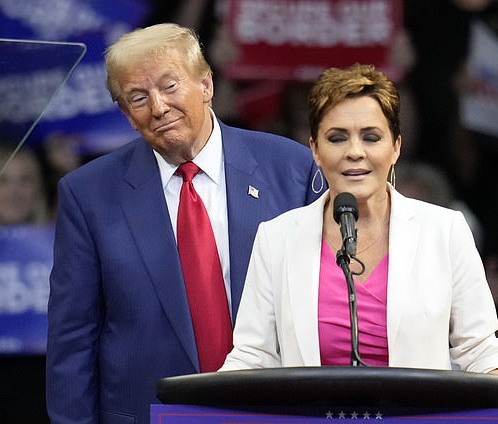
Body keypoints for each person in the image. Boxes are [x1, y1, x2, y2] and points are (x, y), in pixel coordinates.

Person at [45, 23, 320, 424]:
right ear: (125, 113)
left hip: (275, 409)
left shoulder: (291, 170)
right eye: (138, 98)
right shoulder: (88, 195)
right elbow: (72, 339)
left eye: (170, 87)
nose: (158, 107)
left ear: (206, 85)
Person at [220, 63, 498, 376]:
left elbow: (481, 352)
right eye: (337, 138)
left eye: (371, 137)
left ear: (395, 147)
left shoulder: (445, 231)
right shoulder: (277, 238)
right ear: (315, 150)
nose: (355, 152)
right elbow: (253, 357)